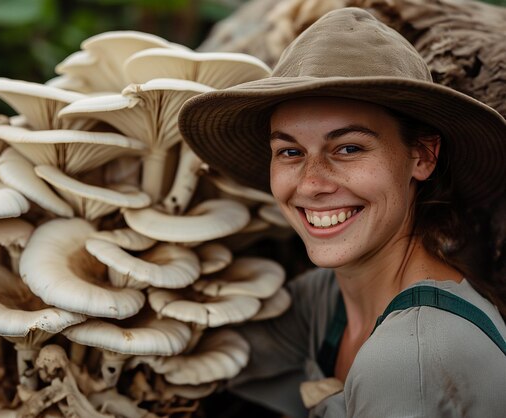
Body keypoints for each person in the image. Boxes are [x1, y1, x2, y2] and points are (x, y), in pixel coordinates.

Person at [178, 7, 506, 418]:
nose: (312, 183)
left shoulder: (412, 358)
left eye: (348, 148)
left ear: (422, 156)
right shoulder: (326, 299)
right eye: (290, 152)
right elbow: (202, 358)